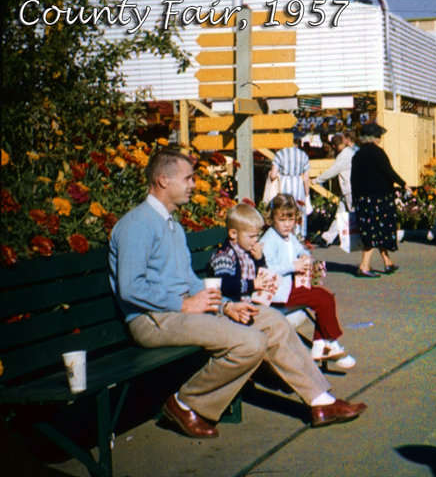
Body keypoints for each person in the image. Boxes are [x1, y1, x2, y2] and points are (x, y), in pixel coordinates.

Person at [108, 149, 366, 438]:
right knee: (250, 342)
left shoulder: (173, 226)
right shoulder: (136, 225)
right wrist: (183, 303)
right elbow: (131, 288)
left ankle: (321, 401)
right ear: (163, 180)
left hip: (178, 312)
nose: (193, 184)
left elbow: (191, 282)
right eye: (188, 178)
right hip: (153, 319)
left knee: (270, 320)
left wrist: (227, 307)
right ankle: (185, 403)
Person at [261, 194, 356, 369]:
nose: (287, 224)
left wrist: (304, 255)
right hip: (278, 292)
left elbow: (300, 249)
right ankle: (330, 342)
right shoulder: (269, 239)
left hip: (290, 287)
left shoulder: (288, 236)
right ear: (272, 219)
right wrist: (292, 265)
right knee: (322, 299)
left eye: (291, 219)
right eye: (282, 220)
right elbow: (267, 269)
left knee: (324, 298)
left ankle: (320, 344)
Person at [350, 122, 410, 277]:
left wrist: (355, 199)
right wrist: (404, 184)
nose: (380, 140)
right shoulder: (377, 153)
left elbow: (353, 179)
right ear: (373, 138)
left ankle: (388, 262)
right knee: (375, 231)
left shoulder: (357, 155)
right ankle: (364, 266)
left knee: (376, 230)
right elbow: (388, 171)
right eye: (378, 136)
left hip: (363, 199)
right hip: (379, 198)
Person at [312, 131, 358, 248]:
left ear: (334, 146)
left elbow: (333, 171)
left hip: (349, 189)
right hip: (348, 189)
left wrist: (317, 180)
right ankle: (327, 238)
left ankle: (361, 238)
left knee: (353, 214)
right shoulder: (349, 152)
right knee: (340, 214)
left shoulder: (343, 156)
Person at [267, 142, 311, 238]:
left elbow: (273, 175)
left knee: (284, 208)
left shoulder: (280, 154)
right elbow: (306, 178)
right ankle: (300, 235)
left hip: (284, 185)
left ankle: (284, 233)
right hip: (298, 186)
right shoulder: (303, 155)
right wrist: (307, 194)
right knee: (299, 209)